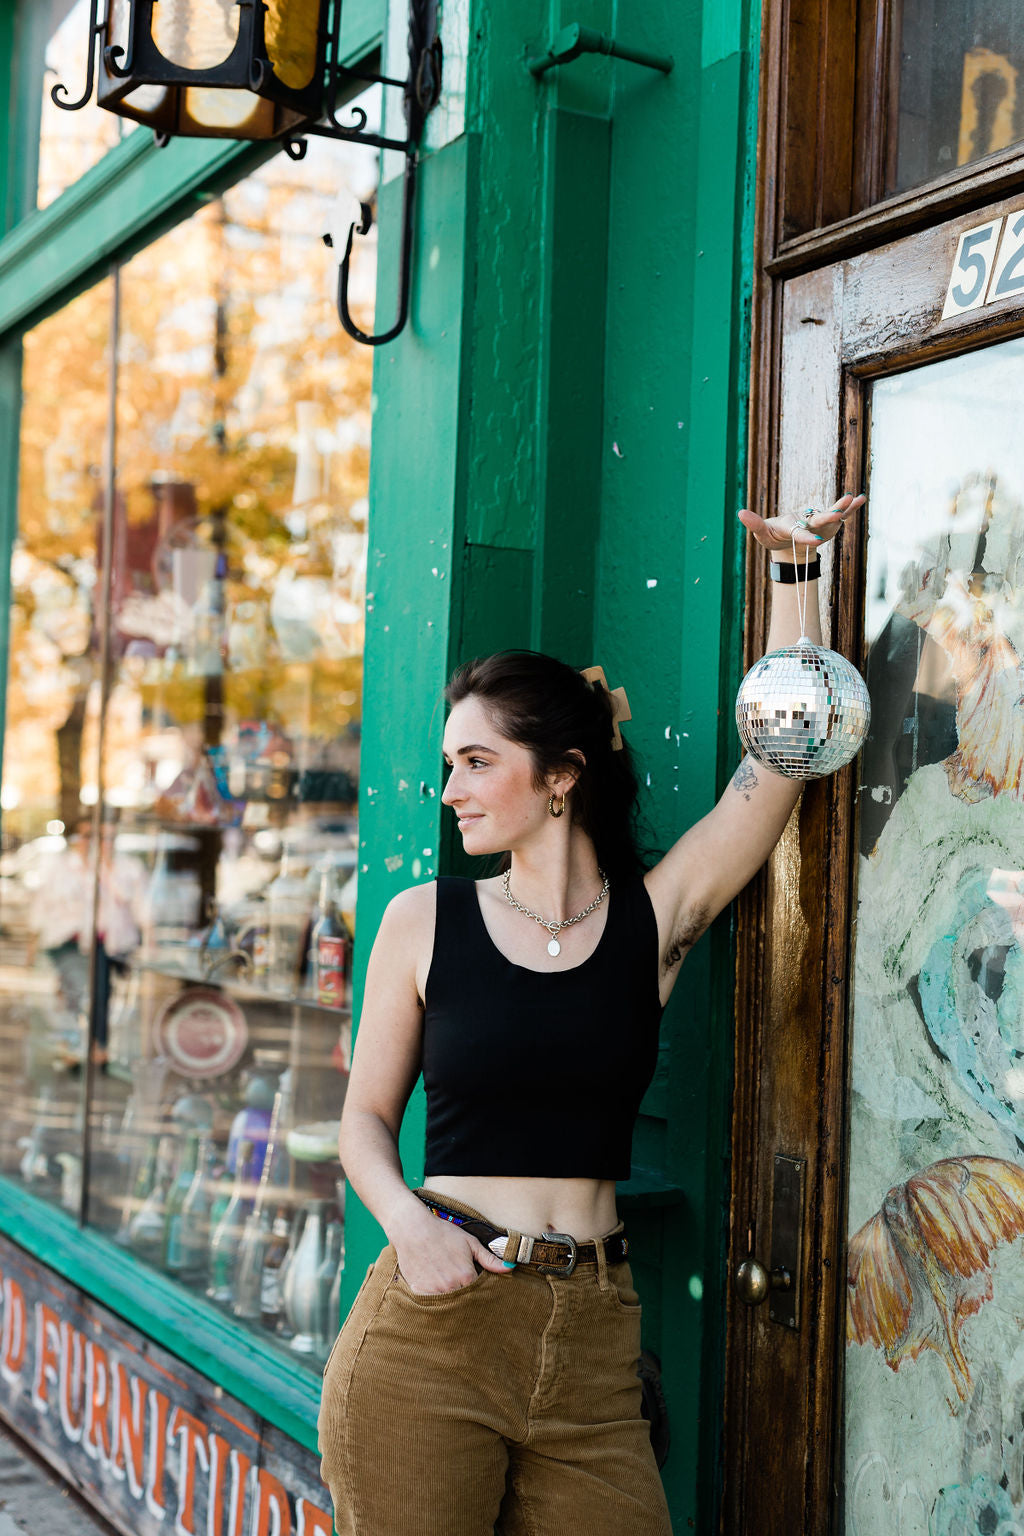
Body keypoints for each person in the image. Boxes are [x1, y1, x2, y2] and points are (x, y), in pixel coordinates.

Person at [318, 496, 864, 1535]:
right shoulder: (421, 923)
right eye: (450, 765)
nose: (452, 791)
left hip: (594, 1337)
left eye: (477, 762)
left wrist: (797, 583)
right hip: (435, 1324)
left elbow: (782, 764)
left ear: (561, 774)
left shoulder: (649, 922)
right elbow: (362, 1123)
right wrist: (404, 1226)